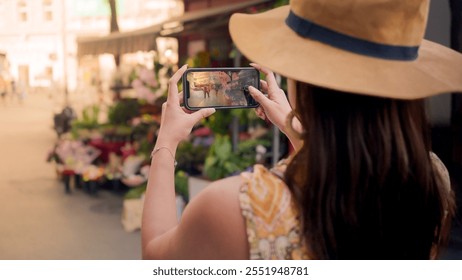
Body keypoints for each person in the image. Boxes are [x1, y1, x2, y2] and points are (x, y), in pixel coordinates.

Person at [141, 0, 462, 259]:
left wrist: (166, 142)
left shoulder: (236, 207)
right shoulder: (430, 178)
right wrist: (295, 130)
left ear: (304, 82)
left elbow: (156, 257)